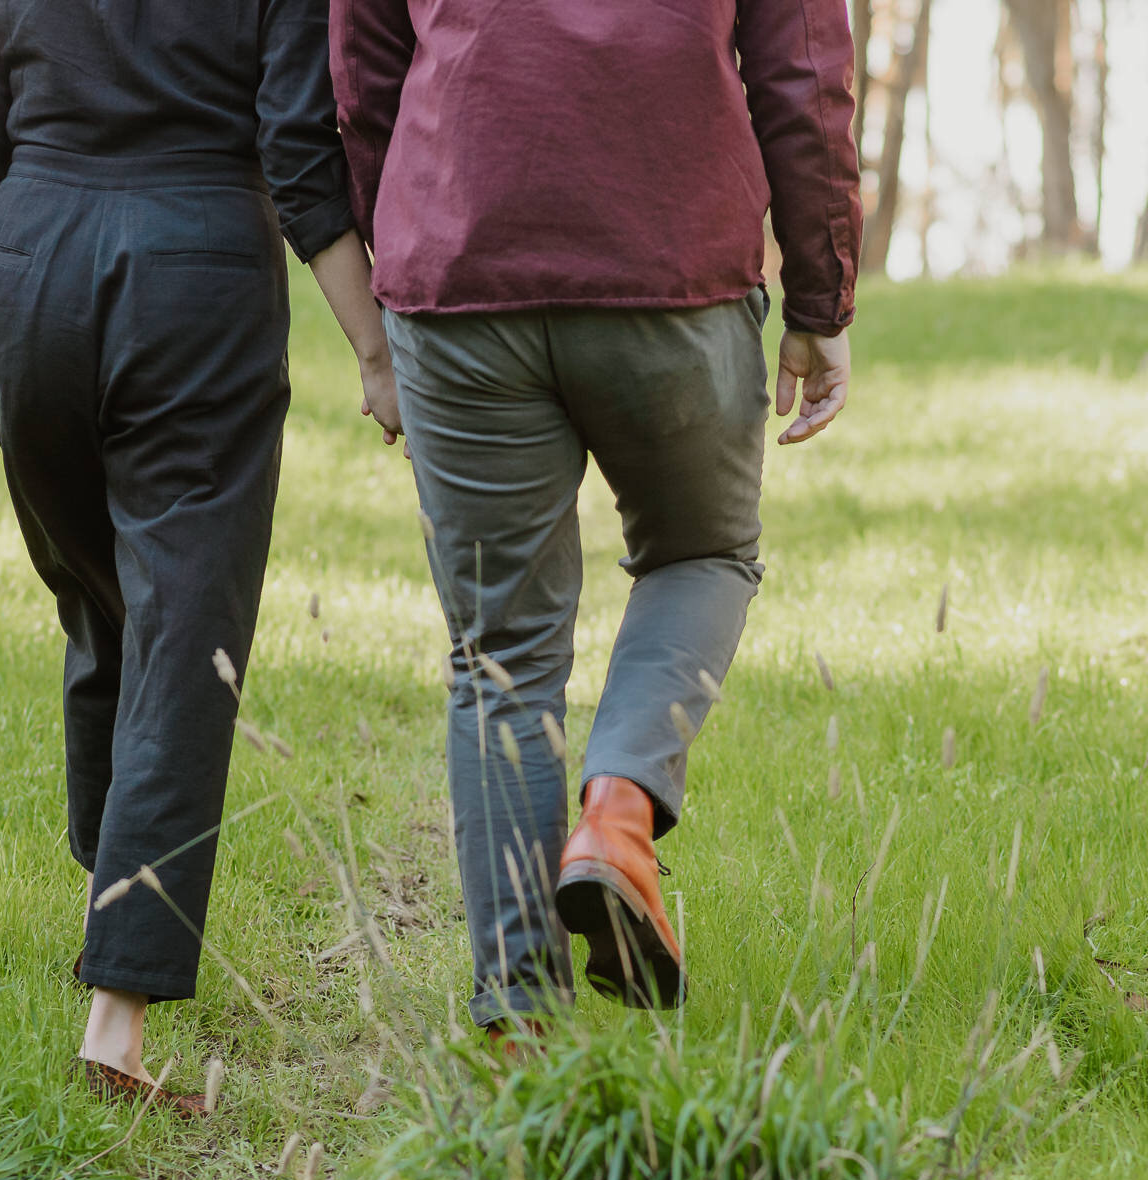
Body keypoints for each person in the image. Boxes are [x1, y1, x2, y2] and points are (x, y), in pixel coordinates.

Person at [331, 0, 862, 1031]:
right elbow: (803, 74)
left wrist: (403, 244)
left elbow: (363, 71)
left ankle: (519, 1020)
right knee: (704, 552)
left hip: (460, 270)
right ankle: (618, 814)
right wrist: (820, 295)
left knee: (498, 651)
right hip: (671, 267)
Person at [0, 0, 400, 1109]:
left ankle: (110, 879)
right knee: (183, 622)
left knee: (102, 600)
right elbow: (298, 146)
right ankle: (118, 1009)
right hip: (195, 277)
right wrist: (372, 348)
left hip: (26, 276)